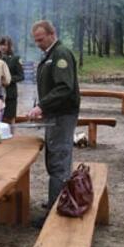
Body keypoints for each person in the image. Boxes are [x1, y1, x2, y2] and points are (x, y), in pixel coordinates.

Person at [28, 20, 80, 227]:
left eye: (41, 39)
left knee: (59, 160)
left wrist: (42, 106)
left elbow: (64, 88)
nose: (38, 43)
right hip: (54, 114)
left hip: (62, 116)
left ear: (52, 34)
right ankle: (55, 200)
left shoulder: (61, 55)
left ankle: (55, 212)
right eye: (36, 41)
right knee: (53, 156)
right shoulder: (50, 55)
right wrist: (42, 108)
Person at [0, 36, 25, 124]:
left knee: (10, 117)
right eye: (1, 44)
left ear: (9, 46)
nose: (2, 47)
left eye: (5, 45)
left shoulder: (15, 59)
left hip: (10, 93)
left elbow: (21, 76)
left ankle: (12, 135)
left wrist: (8, 80)